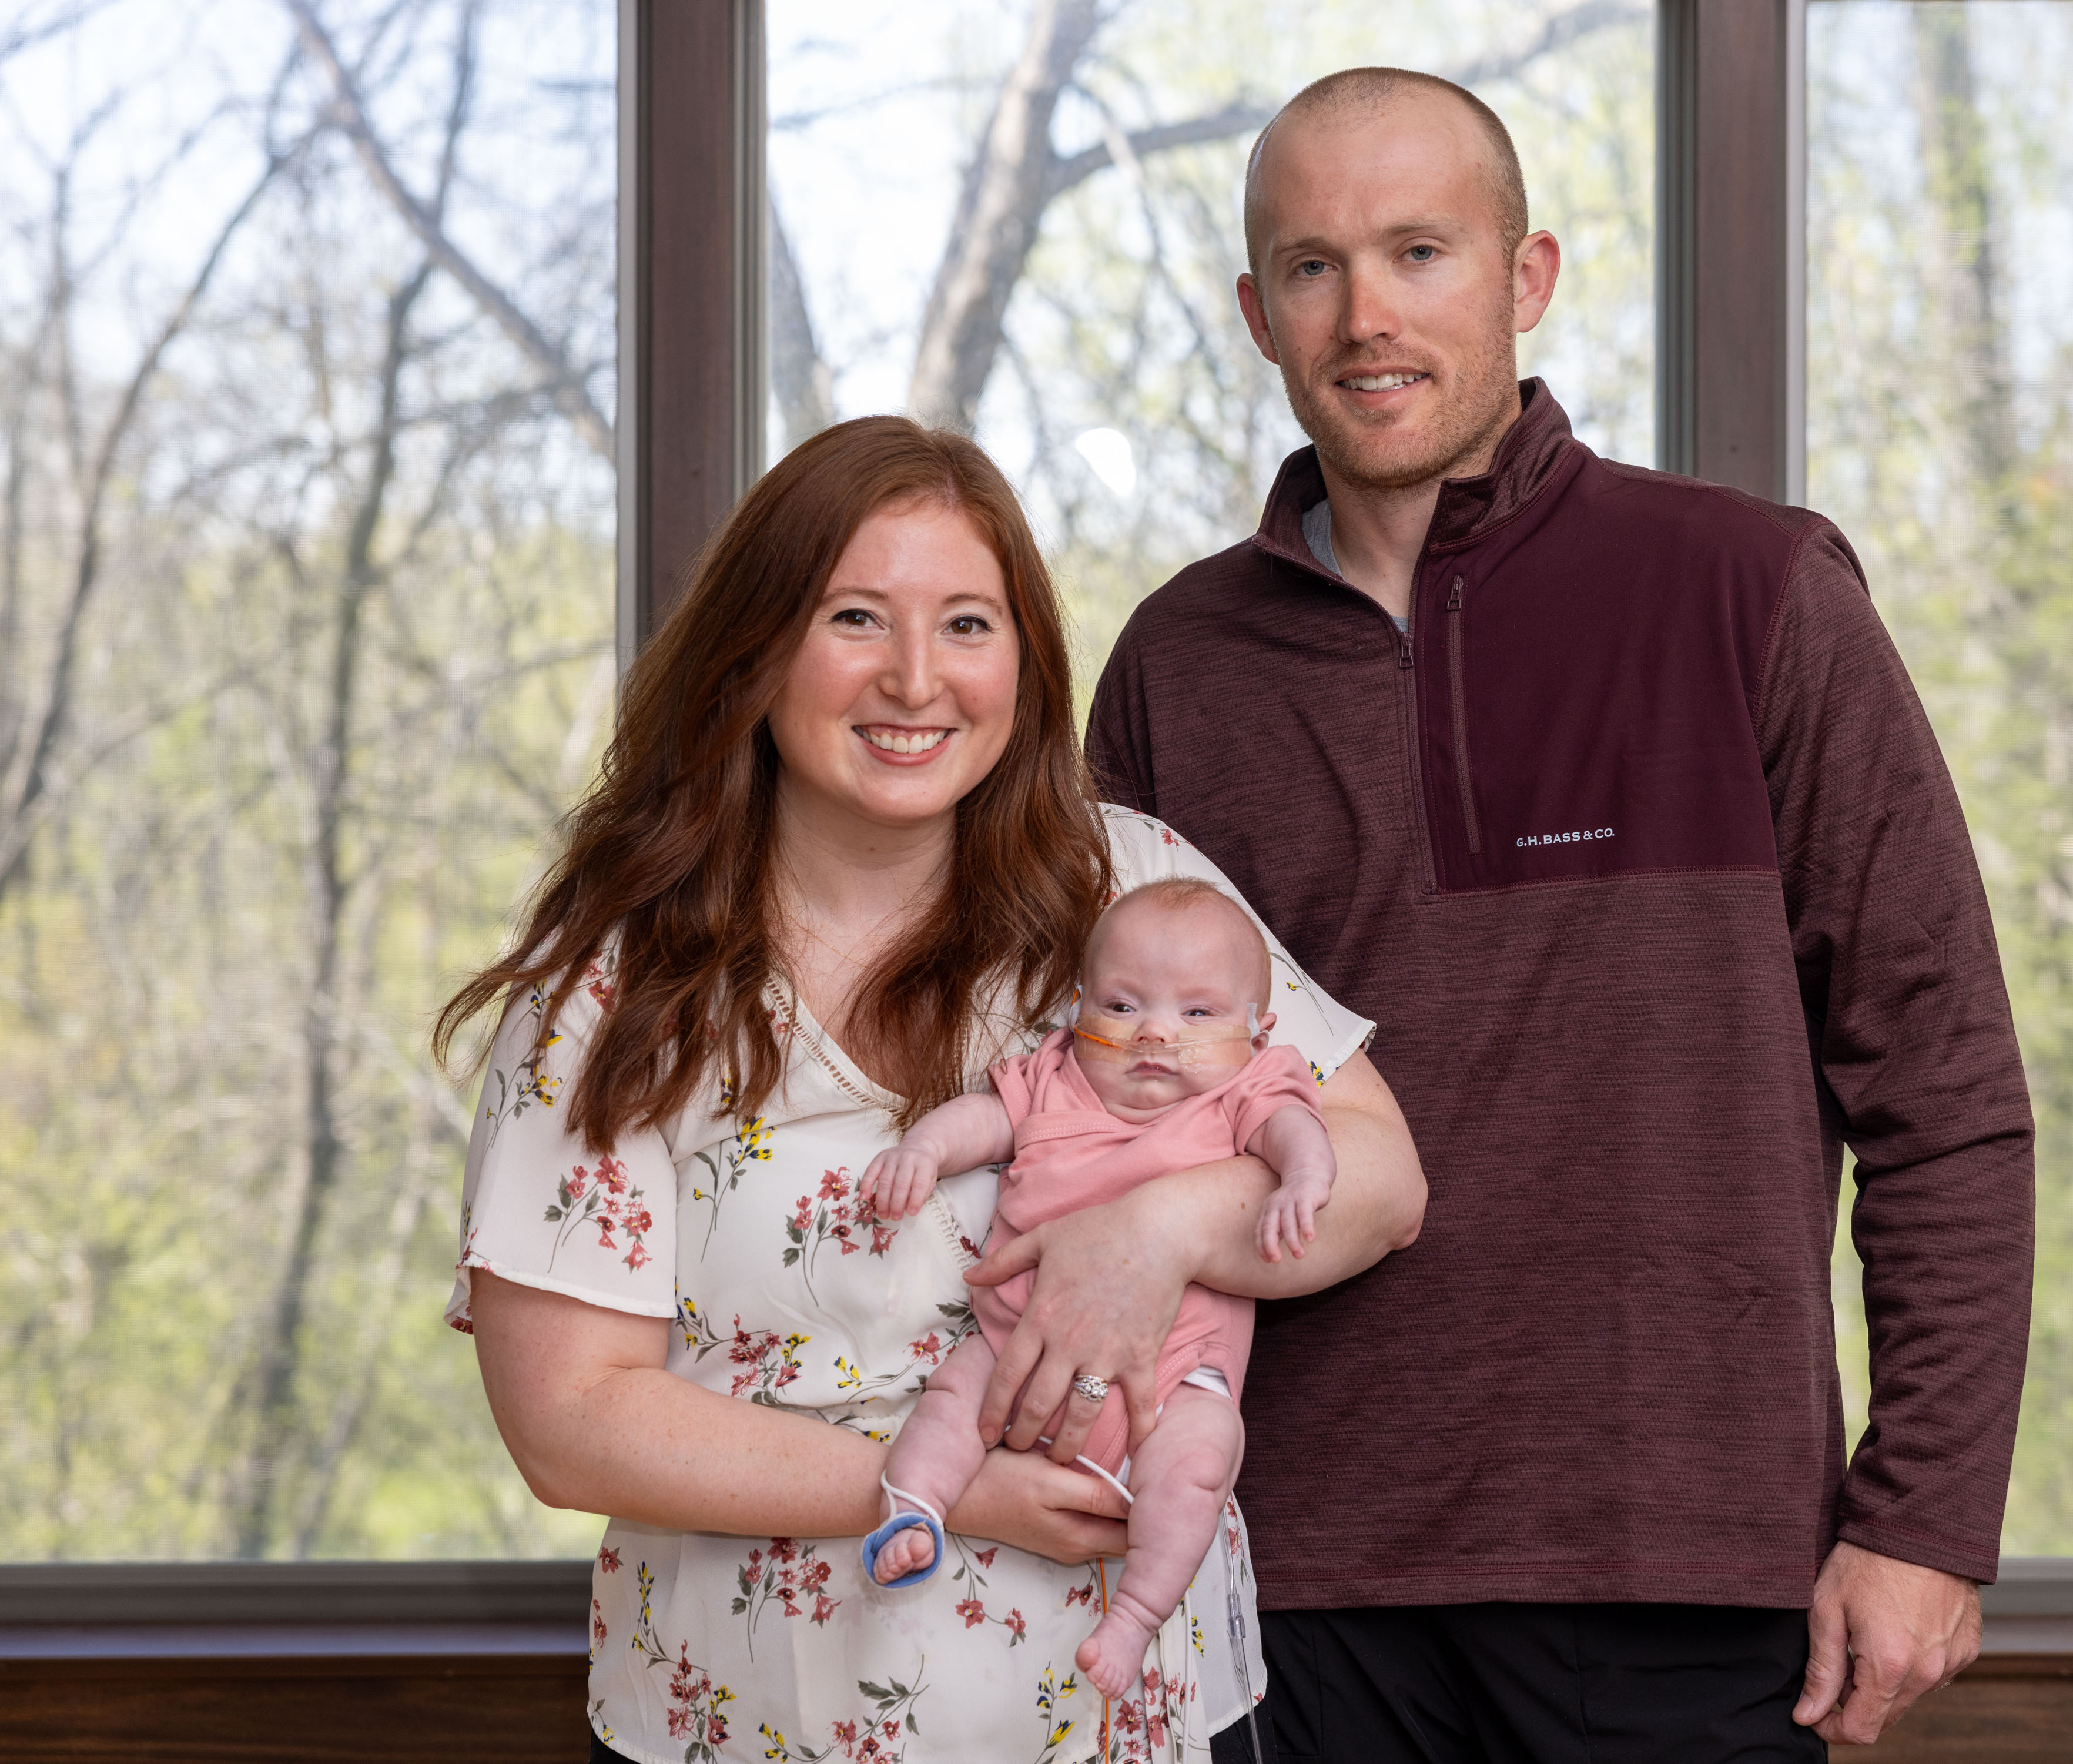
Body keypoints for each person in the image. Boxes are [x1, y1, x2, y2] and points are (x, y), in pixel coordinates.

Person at [1070, 68, 2037, 1762]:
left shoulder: (1752, 592)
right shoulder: (1179, 664)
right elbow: (1097, 1107)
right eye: (1311, 267)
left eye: (1421, 251)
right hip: (1271, 1571)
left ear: (1525, 279)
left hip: (1678, 1564)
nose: (1366, 314)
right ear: (1254, 312)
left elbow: (1942, 1097)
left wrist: (1924, 1516)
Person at [436, 416, 1424, 1763]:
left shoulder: (1126, 885)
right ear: (760, 646)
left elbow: (1380, 1180)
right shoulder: (625, 985)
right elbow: (570, 1421)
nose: (916, 678)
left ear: (1023, 656)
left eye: (968, 623)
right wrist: (953, 1490)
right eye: (856, 617)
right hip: (745, 1723)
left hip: (1128, 1727)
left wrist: (1166, 1228)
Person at [858, 877, 1337, 1699]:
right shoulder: (1053, 1074)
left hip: (1174, 1379)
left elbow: (1300, 1130)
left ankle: (1137, 1615)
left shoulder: (1242, 1093)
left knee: (1200, 1463)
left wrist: (1302, 1181)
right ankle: (915, 1509)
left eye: (1198, 1013)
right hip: (1011, 1348)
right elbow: (984, 1121)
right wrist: (925, 1152)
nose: (1155, 1031)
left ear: (1257, 1033)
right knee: (950, 1402)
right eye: (1121, 1005)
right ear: (1079, 1008)